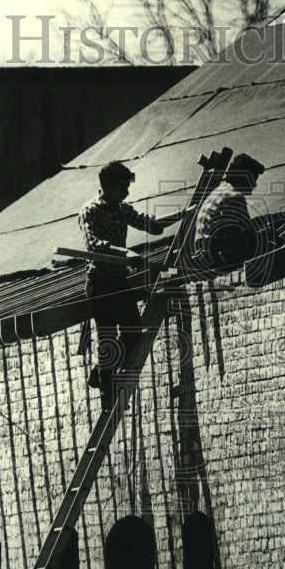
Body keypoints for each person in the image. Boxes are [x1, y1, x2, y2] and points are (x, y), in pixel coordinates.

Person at [79, 160, 186, 410]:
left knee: (133, 332)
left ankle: (100, 373)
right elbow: (93, 245)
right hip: (100, 283)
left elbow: (151, 225)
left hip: (118, 279)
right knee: (107, 338)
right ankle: (107, 393)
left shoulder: (122, 208)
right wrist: (124, 253)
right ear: (108, 186)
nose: (127, 193)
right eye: (123, 187)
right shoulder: (90, 210)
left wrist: (182, 215)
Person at [191, 153, 267, 273]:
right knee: (266, 236)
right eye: (253, 180)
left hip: (203, 256)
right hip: (218, 258)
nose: (254, 185)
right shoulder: (235, 196)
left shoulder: (218, 190)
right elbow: (248, 231)